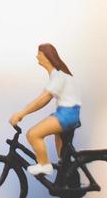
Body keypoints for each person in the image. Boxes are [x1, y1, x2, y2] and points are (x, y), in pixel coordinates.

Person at [9, 43, 81, 176]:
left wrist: (21, 114)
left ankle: (44, 165)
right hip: (66, 113)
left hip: (67, 115)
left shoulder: (58, 76)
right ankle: (66, 177)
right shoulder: (58, 75)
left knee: (33, 134)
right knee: (62, 157)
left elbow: (43, 99)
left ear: (47, 57)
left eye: (39, 54)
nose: (37, 56)